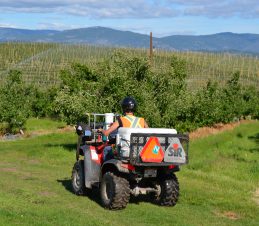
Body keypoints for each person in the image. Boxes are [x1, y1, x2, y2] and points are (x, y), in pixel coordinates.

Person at [99, 96, 148, 161]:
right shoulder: (142, 120)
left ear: (123, 108)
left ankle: (105, 169)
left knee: (107, 149)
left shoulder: (120, 120)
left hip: (126, 152)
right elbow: (148, 133)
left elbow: (106, 133)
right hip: (140, 151)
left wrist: (101, 130)